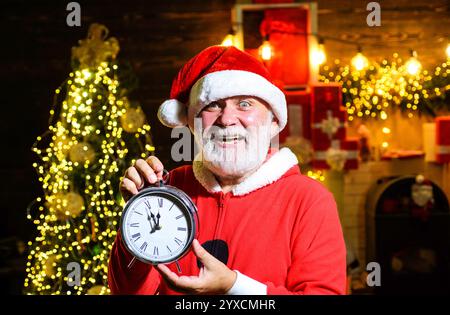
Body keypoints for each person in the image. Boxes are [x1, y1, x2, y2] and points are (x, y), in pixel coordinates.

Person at [108, 45, 346, 295]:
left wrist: (234, 287)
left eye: (244, 104)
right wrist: (137, 219)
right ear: (191, 122)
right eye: (212, 105)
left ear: (274, 121)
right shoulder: (170, 189)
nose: (226, 118)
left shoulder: (308, 200)